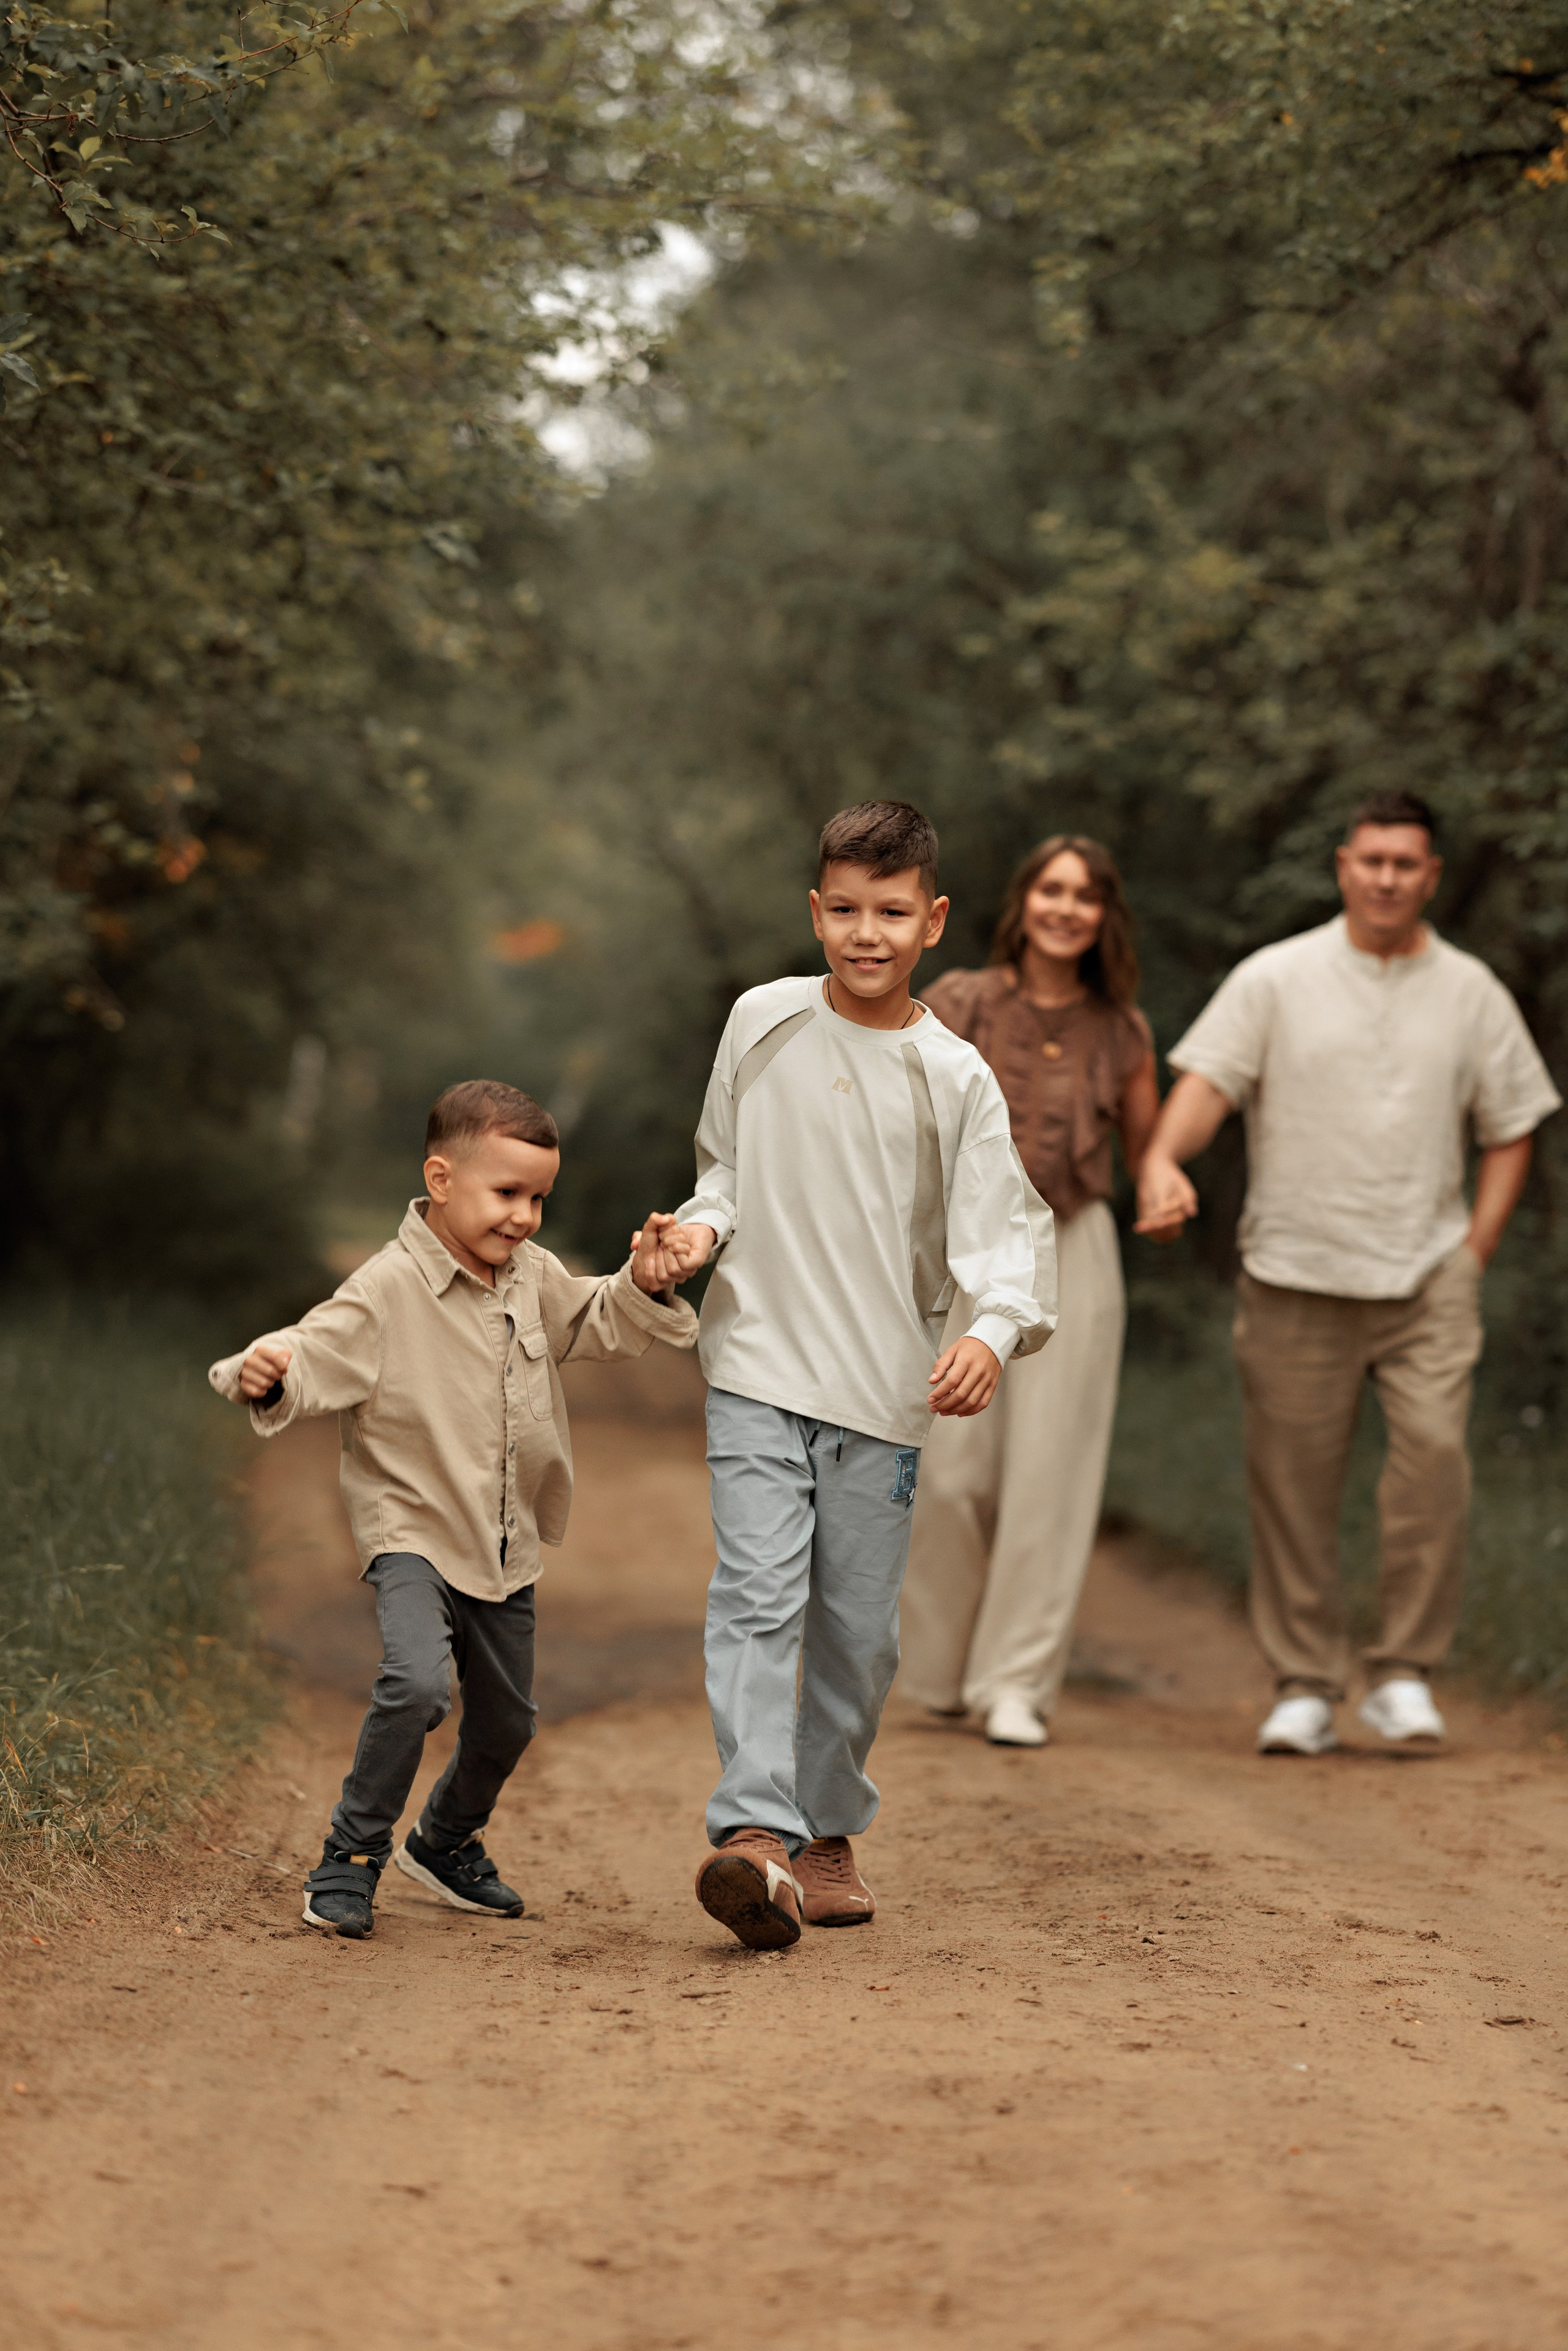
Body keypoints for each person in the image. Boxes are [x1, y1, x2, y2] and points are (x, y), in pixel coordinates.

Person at [659, 801, 1058, 1950]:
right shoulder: (763, 1021)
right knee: (754, 1596)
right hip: (756, 1364)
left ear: (933, 920)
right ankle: (753, 1835)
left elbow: (1006, 1239)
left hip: (885, 1397)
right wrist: (695, 1236)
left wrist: (991, 1332)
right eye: (844, 909)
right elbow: (723, 1170)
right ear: (815, 910)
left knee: (856, 1635)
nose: (865, 933)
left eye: (891, 912)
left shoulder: (955, 1076)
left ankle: (829, 1826)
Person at [209, 1079, 697, 1939]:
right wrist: (265, 1365)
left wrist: (644, 1283)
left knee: (508, 1723)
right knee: (415, 1682)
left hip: (504, 1540)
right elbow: (314, 1344)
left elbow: (598, 1319)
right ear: (440, 1178)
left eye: (540, 1197)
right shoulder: (388, 1287)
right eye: (507, 1192)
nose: (525, 1217)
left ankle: (445, 1841)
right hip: (412, 1531)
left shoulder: (532, 1277)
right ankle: (349, 1856)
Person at [1135, 791, 1561, 1755]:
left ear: (1430, 876)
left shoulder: (1472, 991)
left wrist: (1476, 1248)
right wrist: (1164, 1158)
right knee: (1291, 1484)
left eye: (1405, 863)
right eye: (1370, 860)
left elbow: (1513, 1126)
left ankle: (1405, 1674)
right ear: (1342, 867)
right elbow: (1207, 1086)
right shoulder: (1276, 978)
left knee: (1434, 1467)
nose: (1385, 877)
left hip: (1427, 1278)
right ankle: (1306, 1684)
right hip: (1296, 1271)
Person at [899, 835, 1159, 1748]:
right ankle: (936, 1668)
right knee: (948, 1470)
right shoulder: (960, 999)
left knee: (1050, 1473)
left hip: (1075, 1245)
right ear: (1024, 900)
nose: (1066, 908)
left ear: (1103, 915)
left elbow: (1146, 1147)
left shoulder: (1122, 1028)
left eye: (1086, 896)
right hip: (966, 1243)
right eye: (1052, 889)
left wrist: (1164, 1182)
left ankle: (1016, 1683)